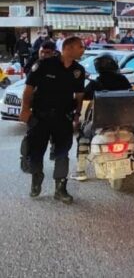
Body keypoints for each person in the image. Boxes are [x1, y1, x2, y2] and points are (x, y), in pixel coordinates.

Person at [20, 36, 86, 204]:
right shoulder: (44, 64)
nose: (83, 50)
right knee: (35, 152)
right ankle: (36, 178)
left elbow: (79, 96)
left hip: (63, 118)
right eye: (80, 47)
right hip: (40, 117)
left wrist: (77, 115)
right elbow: (28, 89)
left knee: (62, 153)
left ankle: (60, 188)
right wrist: (25, 110)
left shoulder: (78, 70)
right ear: (69, 48)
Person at [72, 53, 132, 181]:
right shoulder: (123, 80)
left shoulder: (96, 83)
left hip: (100, 122)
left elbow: (84, 96)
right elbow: (131, 93)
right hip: (125, 120)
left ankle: (80, 170)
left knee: (83, 138)